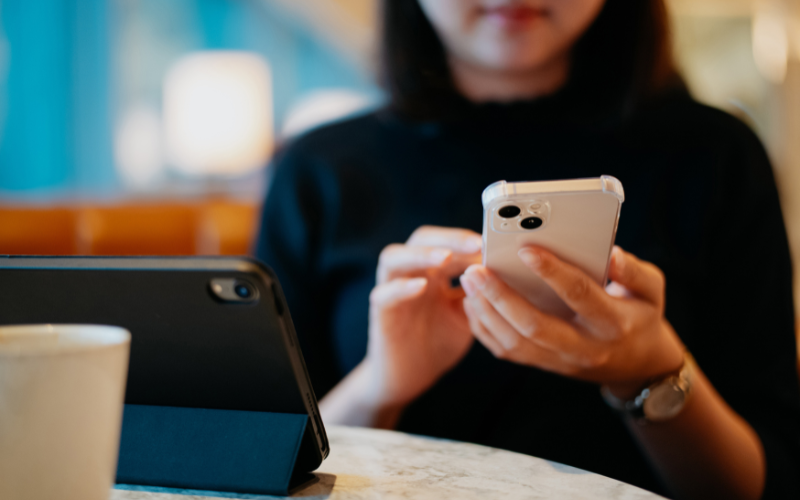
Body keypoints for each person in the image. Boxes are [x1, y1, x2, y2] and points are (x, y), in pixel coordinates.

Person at [256, 1, 800, 498]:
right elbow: (261, 468)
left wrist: (651, 374)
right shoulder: (318, 171)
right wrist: (380, 385)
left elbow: (763, 483)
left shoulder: (717, 158)